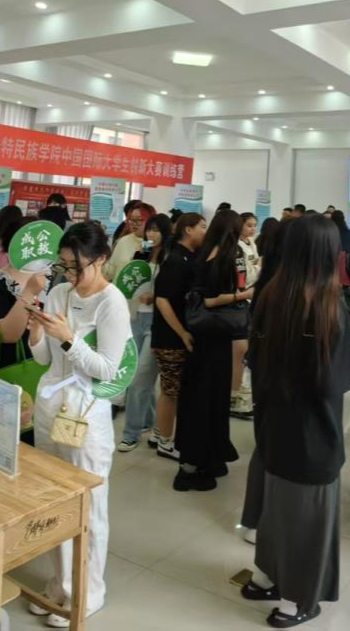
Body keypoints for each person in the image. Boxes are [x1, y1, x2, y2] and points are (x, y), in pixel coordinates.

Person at [240, 214, 350, 628]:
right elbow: (331, 381)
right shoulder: (328, 305)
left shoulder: (272, 294)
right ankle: (297, 602)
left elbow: (258, 358)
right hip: (312, 433)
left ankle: (264, 578)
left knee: (276, 509)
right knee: (309, 520)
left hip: (273, 424)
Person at [25, 222, 130, 626]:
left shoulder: (112, 302)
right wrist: (37, 333)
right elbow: (43, 360)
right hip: (51, 405)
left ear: (101, 259)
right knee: (55, 500)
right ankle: (61, 583)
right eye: (64, 265)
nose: (69, 274)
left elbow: (107, 369)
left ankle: (89, 591)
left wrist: (69, 338)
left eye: (76, 266)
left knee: (89, 505)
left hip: (86, 413)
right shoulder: (59, 293)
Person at [174, 208, 249, 491]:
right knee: (211, 400)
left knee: (199, 399)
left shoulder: (202, 254)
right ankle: (195, 465)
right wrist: (244, 295)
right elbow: (210, 300)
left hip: (201, 335)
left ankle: (204, 458)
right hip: (216, 336)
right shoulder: (229, 255)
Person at [151, 212, 206, 461]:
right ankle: (165, 441)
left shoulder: (191, 257)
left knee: (173, 388)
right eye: (202, 226)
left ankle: (158, 433)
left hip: (179, 335)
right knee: (170, 390)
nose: (205, 231)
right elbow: (162, 300)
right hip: (170, 337)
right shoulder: (175, 260)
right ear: (188, 230)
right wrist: (182, 332)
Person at [118, 213, 171, 452]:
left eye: (156, 230)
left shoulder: (169, 257)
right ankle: (148, 421)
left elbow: (173, 291)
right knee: (138, 375)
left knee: (140, 377)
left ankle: (130, 433)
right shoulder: (143, 252)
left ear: (165, 232)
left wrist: (155, 296)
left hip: (156, 321)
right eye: (150, 229)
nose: (151, 233)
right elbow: (131, 280)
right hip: (135, 317)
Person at [0, 216, 42, 371]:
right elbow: (6, 336)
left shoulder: (47, 276)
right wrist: (29, 292)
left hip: (45, 362)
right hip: (12, 367)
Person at [231, 212, 261, 420]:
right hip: (240, 296)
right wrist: (258, 267)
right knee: (239, 351)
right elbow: (247, 274)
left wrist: (256, 267)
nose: (252, 229)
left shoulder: (251, 243)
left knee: (245, 349)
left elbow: (255, 266)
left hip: (251, 297)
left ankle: (242, 394)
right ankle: (236, 395)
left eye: (254, 225)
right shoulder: (236, 247)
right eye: (248, 225)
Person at [105, 202, 149, 280]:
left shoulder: (149, 243)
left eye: (139, 220)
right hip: (119, 286)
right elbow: (110, 270)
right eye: (131, 219)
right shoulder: (123, 241)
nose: (134, 223)